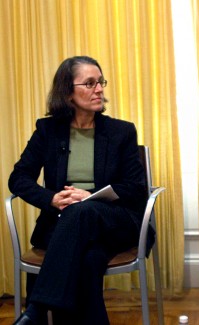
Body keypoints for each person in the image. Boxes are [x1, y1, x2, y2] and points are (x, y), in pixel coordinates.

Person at [9, 56, 147, 325]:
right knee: (89, 261)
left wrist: (89, 197)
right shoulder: (48, 130)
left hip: (114, 220)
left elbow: (135, 188)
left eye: (101, 82)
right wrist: (50, 198)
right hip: (64, 225)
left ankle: (36, 309)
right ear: (67, 92)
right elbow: (19, 178)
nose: (99, 89)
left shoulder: (121, 131)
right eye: (90, 83)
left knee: (83, 210)